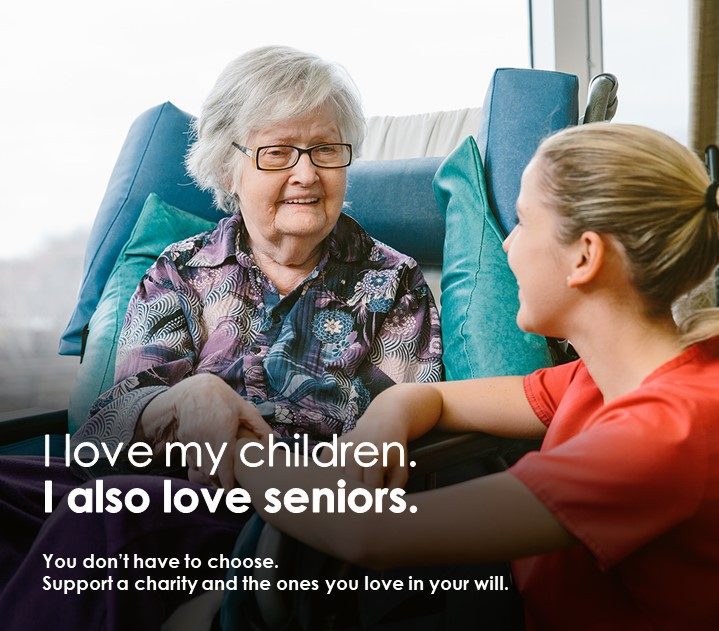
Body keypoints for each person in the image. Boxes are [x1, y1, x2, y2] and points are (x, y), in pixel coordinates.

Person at [0, 46, 441, 631]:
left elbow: (394, 455)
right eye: (278, 152)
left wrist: (264, 464)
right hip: (149, 482)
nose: (306, 174)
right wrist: (177, 401)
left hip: (275, 519)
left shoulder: (394, 283)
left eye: (326, 150)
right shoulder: (181, 269)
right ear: (228, 169)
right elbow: (103, 427)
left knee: (103, 524)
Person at [235, 123, 719, 630]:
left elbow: (371, 535)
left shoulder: (663, 435)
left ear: (585, 256)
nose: (508, 246)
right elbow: (436, 399)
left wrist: (236, 445)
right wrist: (385, 419)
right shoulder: (606, 377)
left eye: (525, 223)